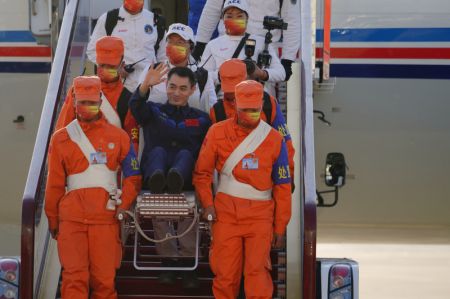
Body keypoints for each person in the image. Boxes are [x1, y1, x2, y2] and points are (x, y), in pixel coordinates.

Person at [193, 79, 292, 298]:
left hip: (261, 217)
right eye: (246, 110)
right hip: (225, 214)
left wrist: (280, 226)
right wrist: (207, 204)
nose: (251, 115)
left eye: (255, 111)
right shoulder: (217, 132)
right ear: (235, 106)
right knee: (225, 275)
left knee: (257, 274)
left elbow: (283, 185)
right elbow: (202, 174)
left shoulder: (275, 139)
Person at [45, 76, 142, 299]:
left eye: (92, 101)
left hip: (106, 218)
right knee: (73, 279)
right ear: (74, 101)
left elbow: (134, 177)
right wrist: (52, 218)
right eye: (82, 102)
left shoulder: (119, 137)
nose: (87, 107)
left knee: (104, 281)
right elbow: (54, 184)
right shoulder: (61, 139)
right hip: (71, 219)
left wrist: (123, 206)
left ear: (100, 99)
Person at [129, 65, 211, 288]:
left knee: (185, 154)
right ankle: (167, 262)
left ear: (192, 90)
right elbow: (135, 106)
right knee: (158, 152)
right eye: (172, 86)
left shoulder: (203, 120)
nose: (176, 92)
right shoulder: (153, 111)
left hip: (184, 181)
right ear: (165, 86)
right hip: (156, 180)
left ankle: (187, 268)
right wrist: (146, 84)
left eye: (183, 88)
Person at [210, 59, 295, 191]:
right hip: (229, 190)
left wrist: (288, 177)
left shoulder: (267, 103)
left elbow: (285, 144)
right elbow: (209, 158)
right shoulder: (217, 111)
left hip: (264, 185)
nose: (232, 94)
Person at [56, 36, 139, 151]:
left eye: (111, 66)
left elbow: (131, 144)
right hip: (77, 162)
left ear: (122, 65)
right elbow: (62, 131)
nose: (105, 69)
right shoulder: (77, 89)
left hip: (111, 166)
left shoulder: (128, 99)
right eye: (102, 65)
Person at [193, 0, 300, 81]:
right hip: (225, 46)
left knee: (262, 100)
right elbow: (212, 10)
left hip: (264, 50)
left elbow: (291, 21)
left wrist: (288, 59)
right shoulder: (214, 46)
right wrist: (200, 45)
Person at [86, 0, 167, 93]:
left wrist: (157, 79)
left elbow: (164, 58)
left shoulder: (156, 21)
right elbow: (92, 51)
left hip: (149, 90)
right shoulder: (108, 19)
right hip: (117, 89)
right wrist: (112, 69)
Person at [139, 23, 217, 113]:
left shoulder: (202, 75)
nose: (173, 46)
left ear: (191, 47)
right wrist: (145, 85)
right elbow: (137, 102)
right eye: (170, 41)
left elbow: (211, 110)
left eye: (180, 42)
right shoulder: (153, 69)